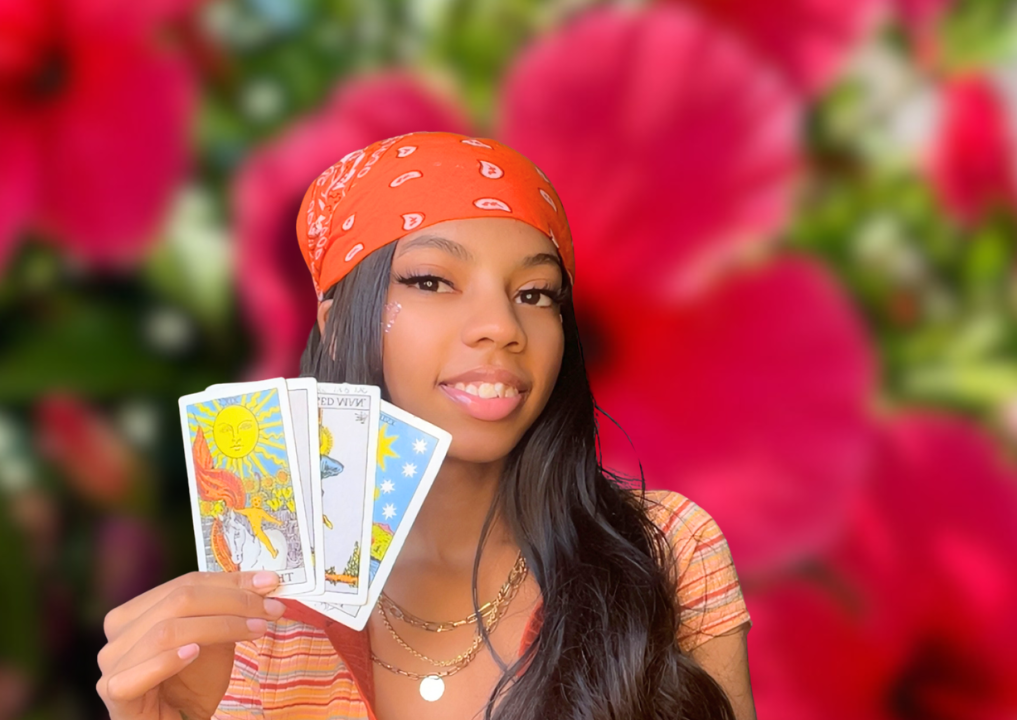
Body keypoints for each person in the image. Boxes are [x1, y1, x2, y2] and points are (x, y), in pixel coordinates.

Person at [97, 131, 755, 720]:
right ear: (334, 325)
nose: (501, 326)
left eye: (535, 294)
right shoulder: (247, 617)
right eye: (434, 281)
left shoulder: (669, 552)